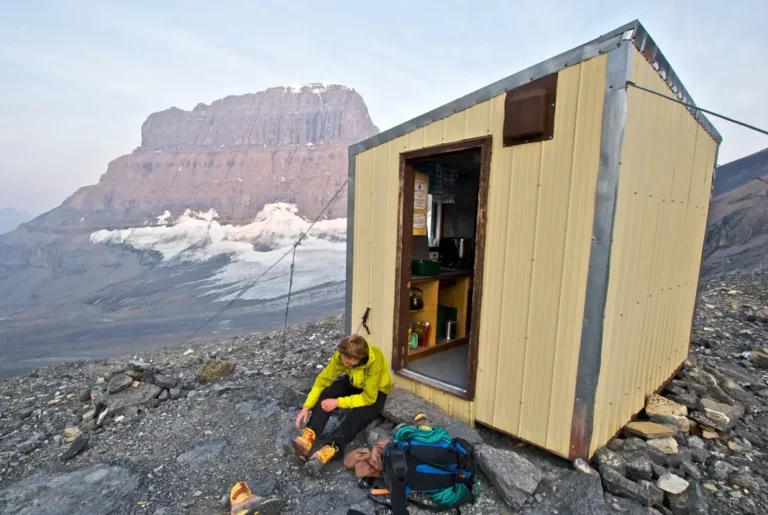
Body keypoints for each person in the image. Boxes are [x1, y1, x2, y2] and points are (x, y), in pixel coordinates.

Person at [286, 334, 393, 477]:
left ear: (361, 357)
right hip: (354, 381)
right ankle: (308, 437)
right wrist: (306, 407)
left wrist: (338, 402)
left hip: (375, 392)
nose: (346, 362)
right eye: (344, 359)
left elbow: (368, 397)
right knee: (328, 392)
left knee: (356, 415)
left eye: (350, 361)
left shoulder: (375, 359)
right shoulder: (341, 356)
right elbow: (323, 379)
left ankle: (331, 450)